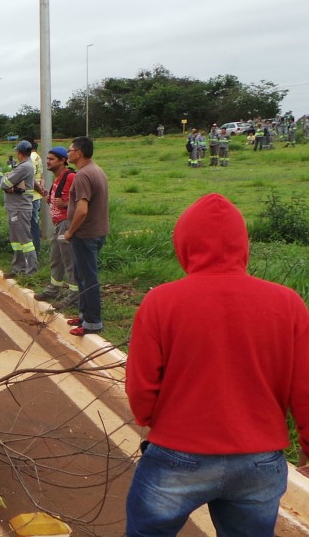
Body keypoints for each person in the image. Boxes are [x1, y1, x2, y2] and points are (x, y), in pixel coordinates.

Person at [125, 193, 309, 536]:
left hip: (178, 454)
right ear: (243, 244)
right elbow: (305, 388)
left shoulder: (161, 301)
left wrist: (150, 419)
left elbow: (141, 384)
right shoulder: (288, 303)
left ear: (184, 244)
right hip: (259, 459)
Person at [63, 136, 109, 336]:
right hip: (96, 232)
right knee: (82, 277)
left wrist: (71, 231)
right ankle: (83, 315)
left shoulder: (82, 175)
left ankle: (92, 323)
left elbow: (81, 210)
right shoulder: (96, 170)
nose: (68, 153)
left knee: (88, 279)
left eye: (70, 149)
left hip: (85, 235)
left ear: (78, 153)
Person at [34, 146, 77, 307]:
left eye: (51, 159)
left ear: (63, 160)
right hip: (59, 224)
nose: (48, 162)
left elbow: (83, 199)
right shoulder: (58, 179)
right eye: (47, 159)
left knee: (69, 260)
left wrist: (65, 204)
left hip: (67, 223)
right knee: (56, 258)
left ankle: (74, 295)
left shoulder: (71, 177)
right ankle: (54, 289)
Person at [0, 141, 39, 278]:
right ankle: (18, 268)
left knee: (25, 241)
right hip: (16, 207)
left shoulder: (24, 167)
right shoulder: (24, 166)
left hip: (20, 208)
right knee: (16, 241)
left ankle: (31, 270)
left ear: (20, 153)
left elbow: (3, 183)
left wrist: (5, 177)